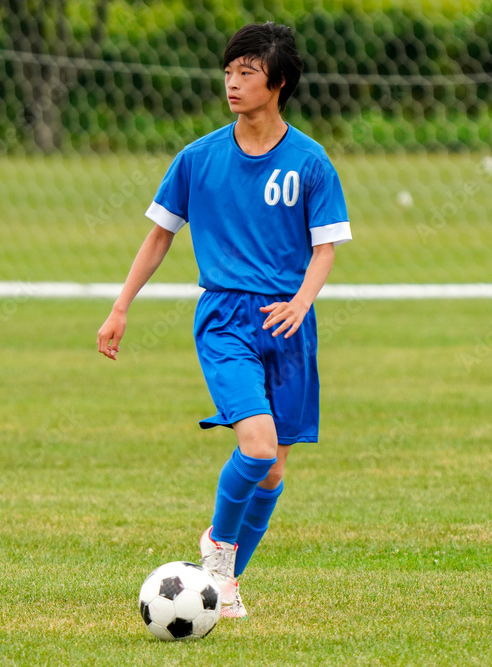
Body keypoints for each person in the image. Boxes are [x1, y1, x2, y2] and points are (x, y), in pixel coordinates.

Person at [96, 22, 352, 619]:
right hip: (227, 319)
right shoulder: (198, 158)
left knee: (275, 467)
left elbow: (326, 247)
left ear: (278, 82)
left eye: (247, 73)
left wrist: (302, 302)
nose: (233, 84)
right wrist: (120, 306)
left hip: (288, 324)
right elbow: (160, 235)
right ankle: (216, 549)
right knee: (258, 448)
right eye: (229, 72)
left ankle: (229, 581)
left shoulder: (310, 162)